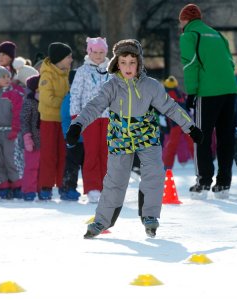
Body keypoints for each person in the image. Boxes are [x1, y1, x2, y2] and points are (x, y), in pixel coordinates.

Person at [66, 39, 203, 238]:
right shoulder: (111, 86)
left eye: (132, 62)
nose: (128, 67)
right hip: (120, 137)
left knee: (154, 172)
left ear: (139, 63)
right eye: (123, 62)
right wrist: (78, 124)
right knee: (115, 180)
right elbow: (94, 106)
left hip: (146, 136)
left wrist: (190, 128)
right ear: (116, 63)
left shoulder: (151, 86)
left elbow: (171, 107)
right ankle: (101, 221)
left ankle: (150, 216)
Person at [179, 3, 237, 200]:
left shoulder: (189, 35)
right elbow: (231, 62)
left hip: (208, 92)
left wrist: (191, 92)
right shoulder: (217, 35)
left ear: (185, 20)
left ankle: (203, 182)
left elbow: (190, 65)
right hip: (230, 89)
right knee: (225, 138)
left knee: (201, 136)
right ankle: (223, 184)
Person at [70, 37, 110, 203]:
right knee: (92, 152)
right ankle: (93, 188)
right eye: (95, 52)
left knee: (106, 153)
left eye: (102, 52)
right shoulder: (82, 71)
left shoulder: (112, 71)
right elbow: (75, 94)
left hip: (108, 118)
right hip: (90, 118)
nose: (99, 55)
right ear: (89, 52)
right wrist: (75, 116)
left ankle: (107, 187)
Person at [37, 42, 73, 200]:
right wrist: (67, 102)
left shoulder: (67, 73)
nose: (71, 60)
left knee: (64, 153)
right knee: (49, 154)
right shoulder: (47, 75)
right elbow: (46, 99)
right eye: (69, 57)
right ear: (60, 58)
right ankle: (45, 186)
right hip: (50, 120)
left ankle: (63, 184)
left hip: (64, 121)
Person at [0, 66, 23, 199]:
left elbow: (17, 113)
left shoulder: (13, 94)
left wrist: (15, 129)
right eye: (3, 77)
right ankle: (3, 185)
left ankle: (17, 185)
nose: (7, 79)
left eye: (8, 76)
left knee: (11, 159)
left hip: (9, 132)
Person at [60, 69, 83, 201]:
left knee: (90, 164)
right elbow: (65, 119)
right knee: (72, 165)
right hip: (74, 139)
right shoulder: (69, 98)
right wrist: (67, 136)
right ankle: (68, 188)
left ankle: (95, 188)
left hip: (88, 139)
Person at [162, 75, 194, 170]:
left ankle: (167, 166)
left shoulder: (166, 96)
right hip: (186, 122)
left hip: (176, 124)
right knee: (192, 144)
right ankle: (198, 162)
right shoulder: (181, 94)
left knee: (171, 145)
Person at [19, 74, 41, 201]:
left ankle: (39, 188)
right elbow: (24, 121)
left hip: (43, 139)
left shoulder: (44, 101)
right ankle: (28, 190)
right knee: (31, 166)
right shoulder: (29, 101)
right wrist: (27, 137)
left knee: (41, 166)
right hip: (32, 141)